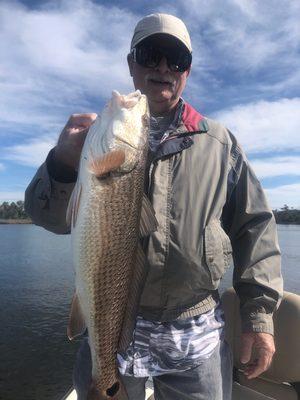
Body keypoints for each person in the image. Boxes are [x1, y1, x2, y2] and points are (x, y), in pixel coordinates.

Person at [25, 13, 283, 400]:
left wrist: (258, 317)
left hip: (196, 332)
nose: (163, 67)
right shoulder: (91, 144)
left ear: (187, 71)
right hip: (112, 324)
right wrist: (62, 163)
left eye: (175, 59)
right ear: (132, 63)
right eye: (151, 54)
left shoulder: (220, 143)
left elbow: (256, 227)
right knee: (100, 383)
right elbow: (48, 217)